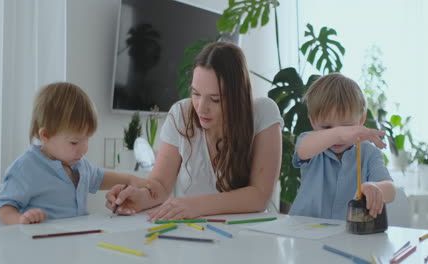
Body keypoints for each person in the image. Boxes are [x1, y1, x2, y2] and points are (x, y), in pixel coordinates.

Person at [105, 41, 284, 220]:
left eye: (215, 99)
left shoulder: (263, 112)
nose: (201, 108)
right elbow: (159, 184)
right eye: (196, 94)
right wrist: (138, 197)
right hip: (193, 234)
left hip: (248, 235)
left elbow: (259, 196)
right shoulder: (180, 114)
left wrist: (195, 205)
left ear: (238, 97)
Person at [0, 82, 153, 225]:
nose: (84, 149)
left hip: (75, 244)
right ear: (45, 136)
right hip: (42, 248)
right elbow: (3, 207)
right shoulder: (26, 168)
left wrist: (133, 180)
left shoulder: (79, 165)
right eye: (74, 142)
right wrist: (21, 219)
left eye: (87, 139)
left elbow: (101, 177)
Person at [289, 72, 396, 220]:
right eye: (327, 127)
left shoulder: (369, 153)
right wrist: (339, 133)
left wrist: (375, 188)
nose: (341, 136)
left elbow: (390, 189)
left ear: (361, 120)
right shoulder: (311, 142)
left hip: (349, 235)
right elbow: (302, 150)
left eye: (347, 127)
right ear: (313, 122)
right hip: (304, 232)